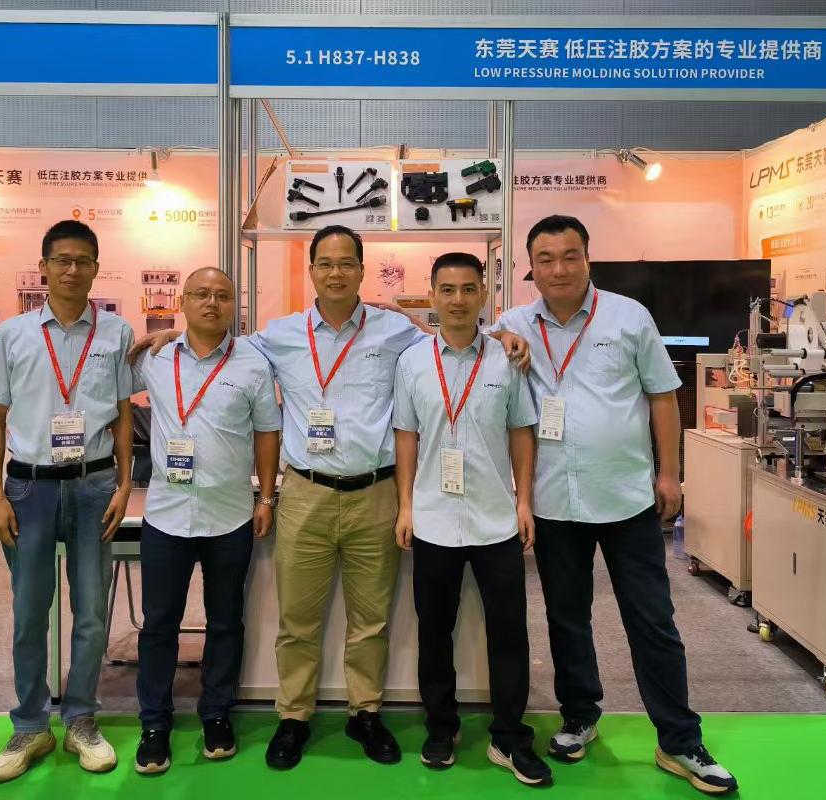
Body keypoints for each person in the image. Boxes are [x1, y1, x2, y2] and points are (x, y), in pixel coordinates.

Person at [132, 225, 529, 770]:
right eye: (325, 263)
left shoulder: (397, 332)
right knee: (298, 619)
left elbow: (456, 336)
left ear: (362, 271)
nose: (336, 272)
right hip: (306, 493)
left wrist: (504, 334)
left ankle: (365, 712)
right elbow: (218, 343)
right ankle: (294, 716)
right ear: (312, 270)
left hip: (376, 493)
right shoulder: (279, 336)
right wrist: (177, 331)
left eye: (346, 263)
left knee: (371, 619)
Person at [489, 215, 738, 795]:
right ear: (531, 268)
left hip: (627, 498)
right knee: (566, 618)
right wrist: (499, 339)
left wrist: (670, 474)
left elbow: (662, 396)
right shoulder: (515, 323)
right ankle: (580, 716)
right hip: (554, 501)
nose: (558, 269)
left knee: (652, 620)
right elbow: (465, 336)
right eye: (546, 259)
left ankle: (679, 740)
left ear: (587, 258)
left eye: (569, 256)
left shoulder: (629, 317)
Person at [0, 220, 134, 782]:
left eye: (83, 260)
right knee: (29, 611)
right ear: (43, 267)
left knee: (91, 611)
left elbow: (123, 416)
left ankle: (82, 720)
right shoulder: (12, 334)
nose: (72, 269)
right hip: (29, 488)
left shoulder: (116, 333)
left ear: (96, 268)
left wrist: (123, 485)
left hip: (94, 487)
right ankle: (30, 726)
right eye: (62, 260)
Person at [393, 252, 551, 786]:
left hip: (495, 520)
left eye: (467, 289)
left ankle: (509, 737)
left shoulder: (508, 358)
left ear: (484, 294)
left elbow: (521, 432)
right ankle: (441, 728)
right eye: (447, 290)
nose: (457, 300)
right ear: (432, 295)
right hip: (433, 519)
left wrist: (524, 501)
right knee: (434, 632)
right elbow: (406, 437)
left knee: (509, 633)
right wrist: (406, 505)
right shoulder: (413, 362)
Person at [130, 268, 281, 775]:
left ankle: (216, 714)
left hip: (229, 514)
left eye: (222, 295)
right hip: (166, 516)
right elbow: (106, 392)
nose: (211, 303)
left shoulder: (253, 363)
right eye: (200, 294)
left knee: (224, 622)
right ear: (182, 301)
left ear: (235, 304)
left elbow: (266, 433)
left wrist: (265, 498)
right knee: (159, 624)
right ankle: (155, 723)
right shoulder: (154, 358)